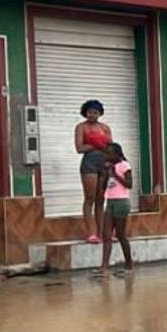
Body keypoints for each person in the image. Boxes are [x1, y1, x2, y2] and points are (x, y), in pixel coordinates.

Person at [75, 100, 112, 243]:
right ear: (85, 112)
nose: (92, 115)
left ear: (100, 114)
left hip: (103, 163)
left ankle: (102, 233)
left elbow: (111, 147)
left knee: (100, 199)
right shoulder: (81, 127)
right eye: (90, 112)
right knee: (89, 198)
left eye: (95, 112)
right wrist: (95, 144)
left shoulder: (105, 128)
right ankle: (91, 232)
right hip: (89, 163)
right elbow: (79, 148)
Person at [100, 142, 134, 274]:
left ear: (116, 154)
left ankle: (129, 263)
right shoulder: (109, 167)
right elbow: (104, 186)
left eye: (108, 153)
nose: (106, 156)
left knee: (120, 234)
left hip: (121, 202)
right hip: (110, 201)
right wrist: (106, 173)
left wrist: (116, 175)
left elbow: (129, 184)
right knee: (106, 235)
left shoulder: (125, 166)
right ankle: (104, 266)